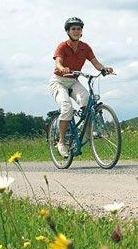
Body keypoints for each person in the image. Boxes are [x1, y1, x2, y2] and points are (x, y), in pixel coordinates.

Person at [48, 17, 113, 157]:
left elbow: (95, 63)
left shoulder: (85, 47)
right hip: (59, 81)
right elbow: (58, 63)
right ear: (68, 31)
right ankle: (61, 142)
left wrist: (104, 69)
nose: (76, 31)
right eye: (73, 29)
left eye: (79, 29)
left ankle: (87, 131)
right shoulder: (62, 46)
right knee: (66, 107)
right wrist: (62, 68)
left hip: (73, 81)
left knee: (86, 100)